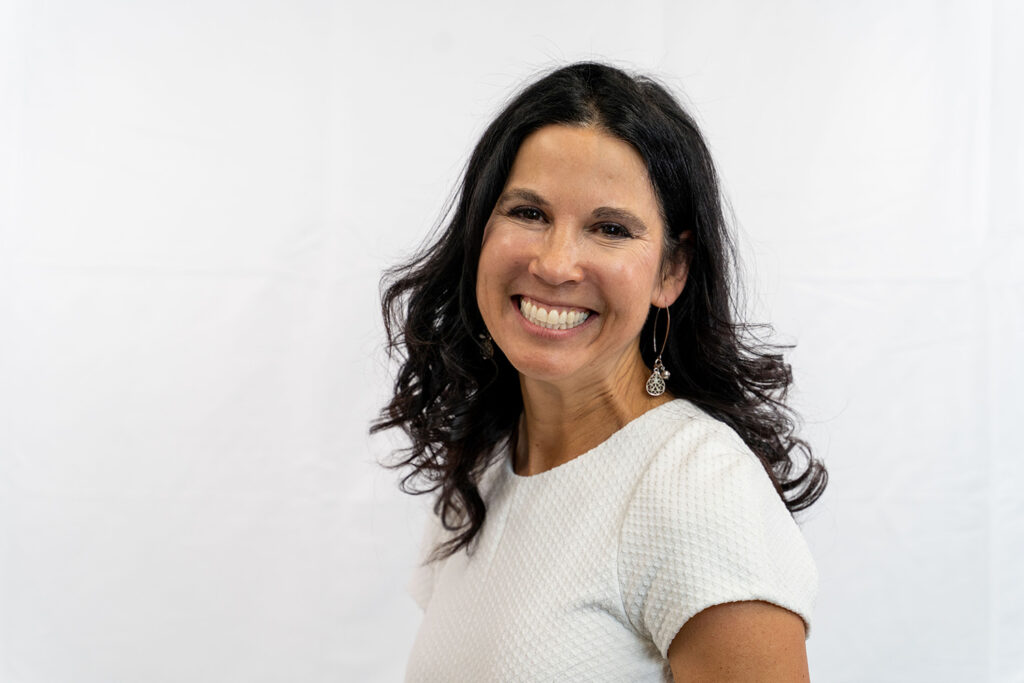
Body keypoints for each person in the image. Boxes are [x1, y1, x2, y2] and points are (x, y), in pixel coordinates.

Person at [372, 62, 828, 682]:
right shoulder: (486, 465)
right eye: (528, 213)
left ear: (672, 272)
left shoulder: (699, 486)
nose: (556, 263)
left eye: (610, 229)